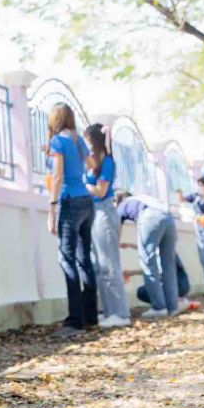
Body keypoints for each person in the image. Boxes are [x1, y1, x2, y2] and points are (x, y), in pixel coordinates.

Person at [45, 103, 98, 335]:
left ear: (55, 119)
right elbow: (92, 165)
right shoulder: (78, 141)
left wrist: (52, 207)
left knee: (66, 259)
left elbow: (56, 176)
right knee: (84, 258)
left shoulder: (58, 141)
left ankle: (75, 321)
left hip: (69, 202)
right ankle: (90, 316)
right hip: (86, 201)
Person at [84, 123, 131, 328]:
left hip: (103, 212)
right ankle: (110, 311)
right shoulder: (93, 163)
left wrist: (83, 185)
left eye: (87, 139)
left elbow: (101, 191)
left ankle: (120, 313)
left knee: (109, 264)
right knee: (99, 265)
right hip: (93, 213)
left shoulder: (108, 163)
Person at [115, 189, 178, 320]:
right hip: (168, 217)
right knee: (168, 264)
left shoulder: (123, 204)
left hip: (150, 217)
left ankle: (159, 307)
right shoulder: (143, 197)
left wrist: (115, 247)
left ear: (118, 199)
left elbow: (117, 228)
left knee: (148, 262)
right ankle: (172, 306)